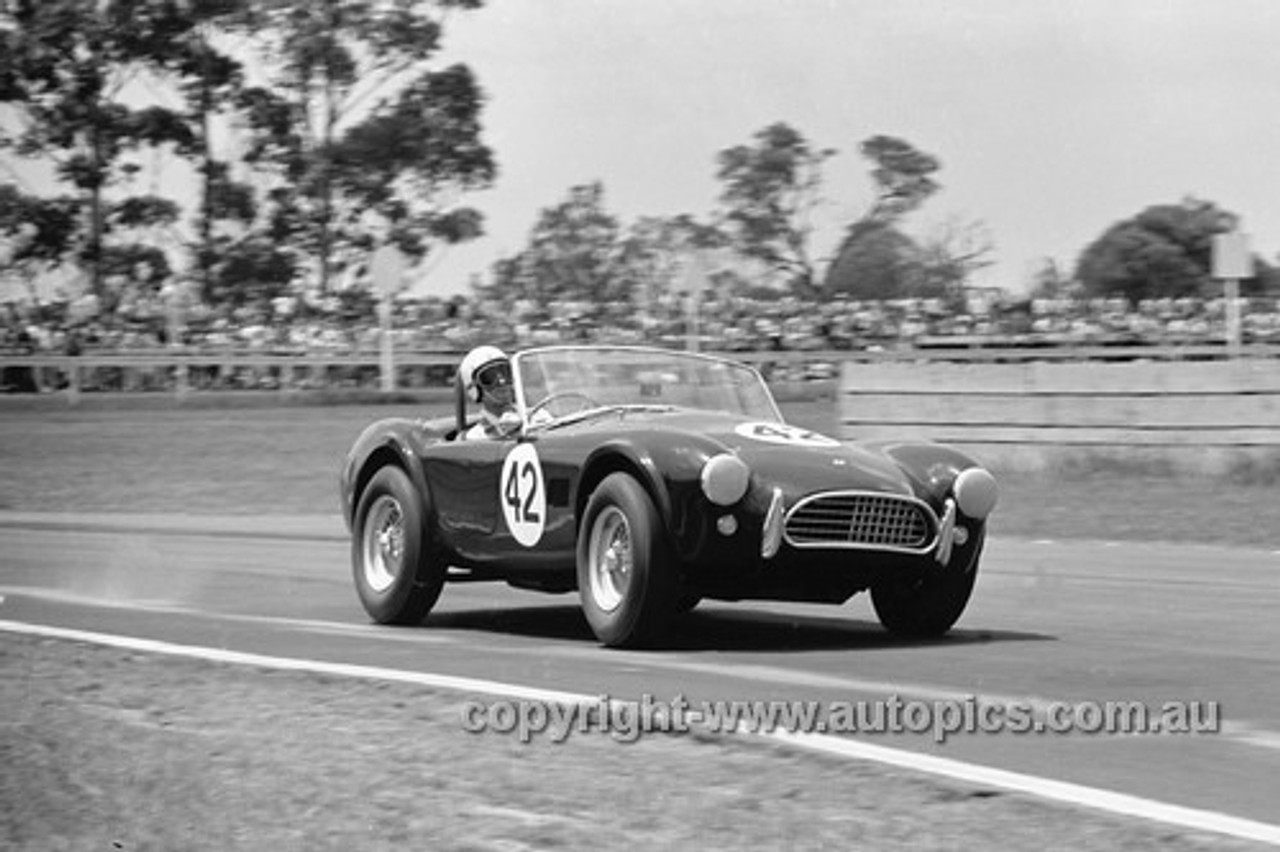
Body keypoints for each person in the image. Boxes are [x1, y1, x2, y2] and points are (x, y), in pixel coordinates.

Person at [459, 345, 521, 440]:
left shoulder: (537, 415)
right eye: (489, 377)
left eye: (505, 373)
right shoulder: (476, 436)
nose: (502, 382)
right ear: (474, 387)